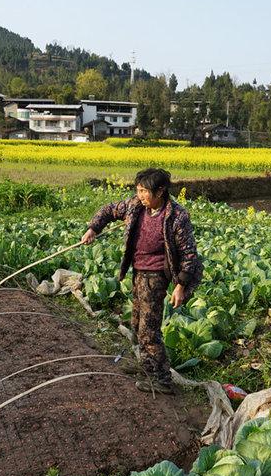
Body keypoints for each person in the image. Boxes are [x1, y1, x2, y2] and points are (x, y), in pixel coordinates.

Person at [82, 168, 202, 395]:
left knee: (149, 330)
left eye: (144, 191)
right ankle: (146, 367)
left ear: (160, 191)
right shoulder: (135, 206)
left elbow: (189, 253)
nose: (140, 195)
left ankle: (162, 379)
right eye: (137, 190)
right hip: (137, 272)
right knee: (137, 323)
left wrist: (181, 285)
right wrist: (93, 228)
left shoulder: (176, 216)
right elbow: (109, 210)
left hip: (156, 277)